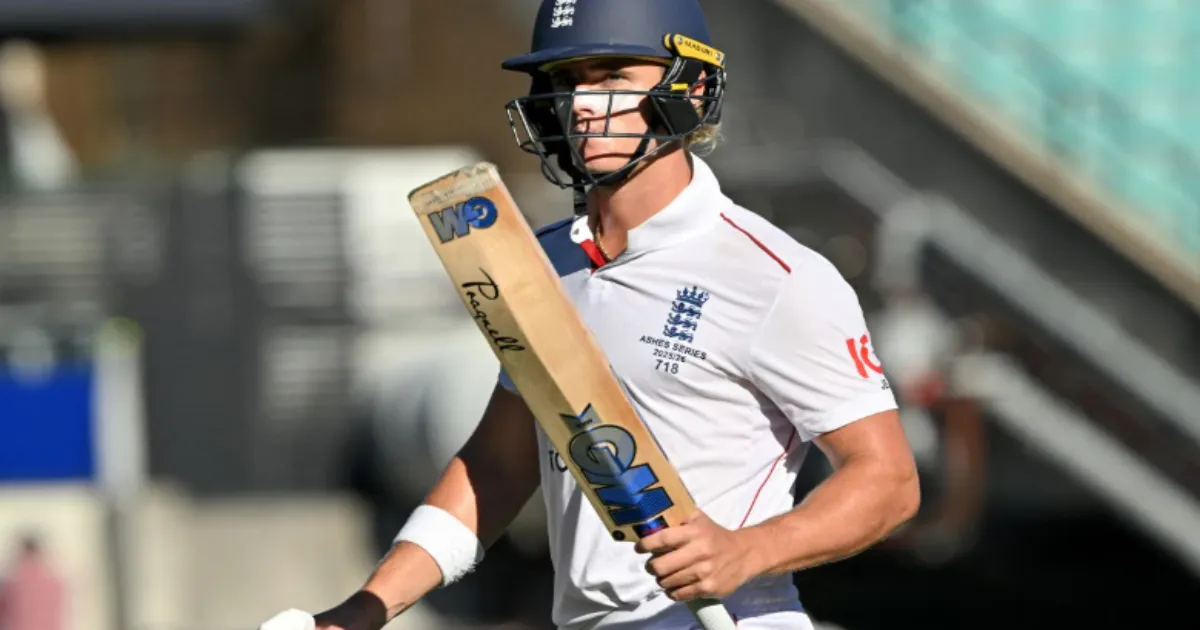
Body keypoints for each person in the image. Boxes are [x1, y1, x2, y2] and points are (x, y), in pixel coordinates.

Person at [260, 1, 919, 628]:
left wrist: (746, 550)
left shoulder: (777, 276)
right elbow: (497, 466)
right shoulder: (537, 263)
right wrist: (365, 609)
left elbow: (887, 481)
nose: (580, 104)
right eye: (566, 80)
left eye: (612, 77)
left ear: (689, 86)